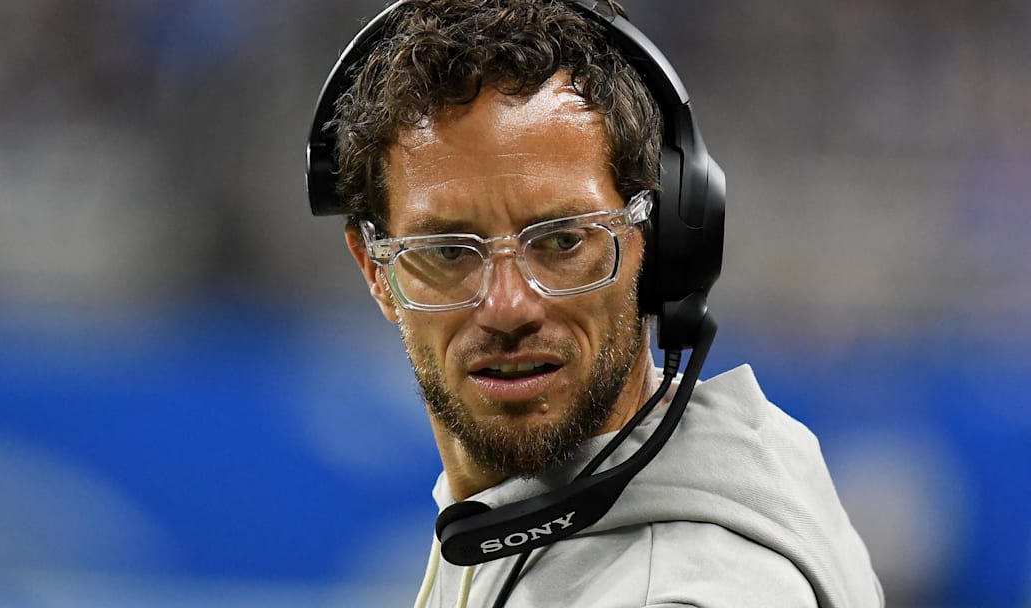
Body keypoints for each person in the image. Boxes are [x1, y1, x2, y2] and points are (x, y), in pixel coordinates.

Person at [306, 1, 884, 606]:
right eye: (449, 252)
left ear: (658, 246)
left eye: (562, 241)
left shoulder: (693, 588)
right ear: (375, 269)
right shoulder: (505, 532)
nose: (508, 307)